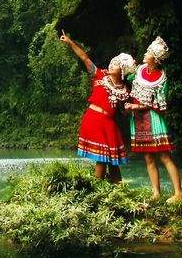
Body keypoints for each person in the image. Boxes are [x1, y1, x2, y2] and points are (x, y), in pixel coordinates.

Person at [58, 31, 136, 182]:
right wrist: (70, 42)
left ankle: (116, 188)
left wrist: (129, 109)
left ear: (123, 71)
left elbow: (125, 112)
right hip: (94, 119)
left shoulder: (125, 90)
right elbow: (84, 57)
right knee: (102, 158)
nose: (112, 65)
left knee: (113, 161)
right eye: (113, 62)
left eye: (116, 65)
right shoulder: (100, 74)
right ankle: (98, 187)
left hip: (109, 124)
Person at [129, 36, 182, 201]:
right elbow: (127, 79)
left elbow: (158, 103)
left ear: (155, 59)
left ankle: (178, 193)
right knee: (148, 157)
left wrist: (136, 106)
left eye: (148, 53)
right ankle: (156, 193)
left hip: (153, 118)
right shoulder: (139, 70)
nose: (145, 54)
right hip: (139, 118)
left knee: (164, 156)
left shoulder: (161, 79)